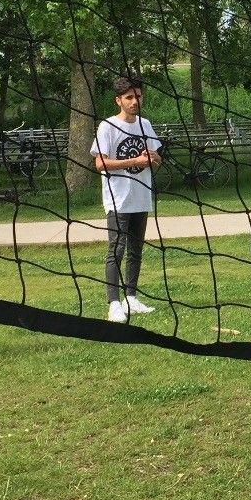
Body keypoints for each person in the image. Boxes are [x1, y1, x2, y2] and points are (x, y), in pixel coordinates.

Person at [91, 76, 161, 323]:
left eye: (138, 96)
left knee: (136, 251)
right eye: (129, 97)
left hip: (141, 197)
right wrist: (135, 161)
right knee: (116, 250)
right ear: (118, 100)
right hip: (118, 199)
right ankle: (114, 304)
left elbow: (155, 160)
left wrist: (152, 158)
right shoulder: (107, 127)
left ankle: (131, 298)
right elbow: (100, 163)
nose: (135, 101)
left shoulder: (145, 124)